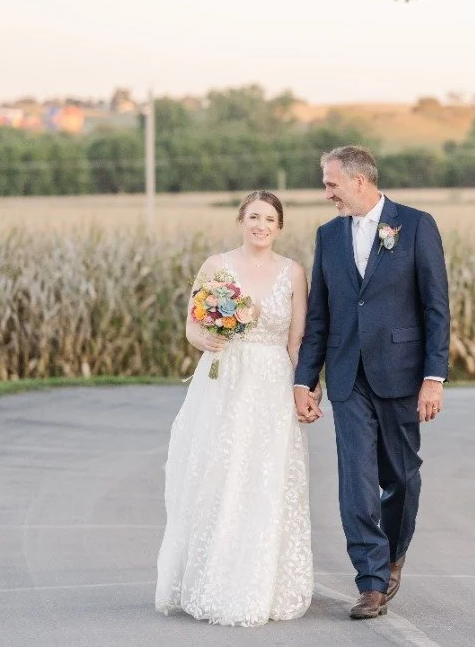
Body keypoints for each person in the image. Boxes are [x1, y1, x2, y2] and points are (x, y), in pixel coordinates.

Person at [294, 145, 450, 620]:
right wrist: (306, 379)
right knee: (356, 480)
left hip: (402, 374)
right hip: (347, 377)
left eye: (331, 183)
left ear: (359, 181)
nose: (327, 193)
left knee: (401, 476)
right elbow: (319, 314)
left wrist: (433, 377)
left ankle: (394, 553)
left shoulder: (416, 225)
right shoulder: (329, 236)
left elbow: (435, 307)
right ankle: (371, 582)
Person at [155, 190, 316, 626]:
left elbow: (297, 342)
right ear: (240, 221)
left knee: (266, 478)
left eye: (269, 218)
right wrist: (204, 339)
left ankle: (263, 582)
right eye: (253, 217)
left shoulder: (294, 273)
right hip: (224, 378)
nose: (260, 225)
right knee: (220, 474)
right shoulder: (216, 265)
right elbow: (191, 322)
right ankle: (212, 578)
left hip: (271, 384)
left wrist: (306, 388)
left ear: (279, 226)